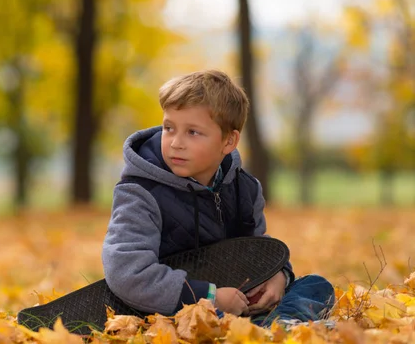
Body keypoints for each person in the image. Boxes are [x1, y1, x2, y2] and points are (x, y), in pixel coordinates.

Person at [102, 69, 335, 326]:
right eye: (169, 128)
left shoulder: (244, 188)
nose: (175, 143)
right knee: (198, 319)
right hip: (178, 307)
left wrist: (278, 276)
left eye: (192, 132)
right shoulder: (139, 193)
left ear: (228, 141)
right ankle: (266, 328)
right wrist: (210, 297)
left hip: (240, 296)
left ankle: (275, 326)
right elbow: (127, 273)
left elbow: (258, 248)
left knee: (316, 286)